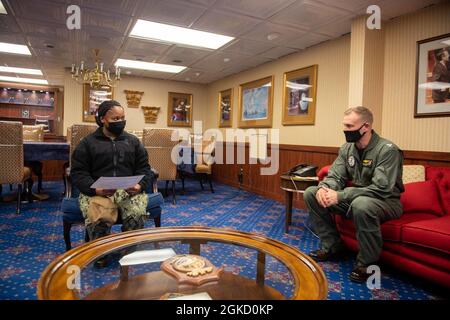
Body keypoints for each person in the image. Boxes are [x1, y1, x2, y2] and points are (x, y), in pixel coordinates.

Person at [303, 106, 404, 283]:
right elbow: (335, 175)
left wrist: (340, 196)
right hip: (355, 198)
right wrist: (324, 188)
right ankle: (333, 247)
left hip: (385, 201)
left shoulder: (387, 150)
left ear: (366, 126)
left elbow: (381, 188)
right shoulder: (347, 148)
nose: (345, 130)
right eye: (344, 126)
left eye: (349, 126)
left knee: (362, 204)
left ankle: (367, 265)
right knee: (312, 193)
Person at [71, 100, 154, 264]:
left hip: (129, 192)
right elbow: (78, 173)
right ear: (102, 119)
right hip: (96, 191)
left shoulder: (134, 142)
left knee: (136, 213)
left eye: (122, 118)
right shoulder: (87, 144)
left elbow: (145, 170)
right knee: (100, 214)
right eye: (115, 119)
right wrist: (96, 190)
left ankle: (128, 254)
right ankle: (100, 254)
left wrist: (139, 186)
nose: (120, 122)